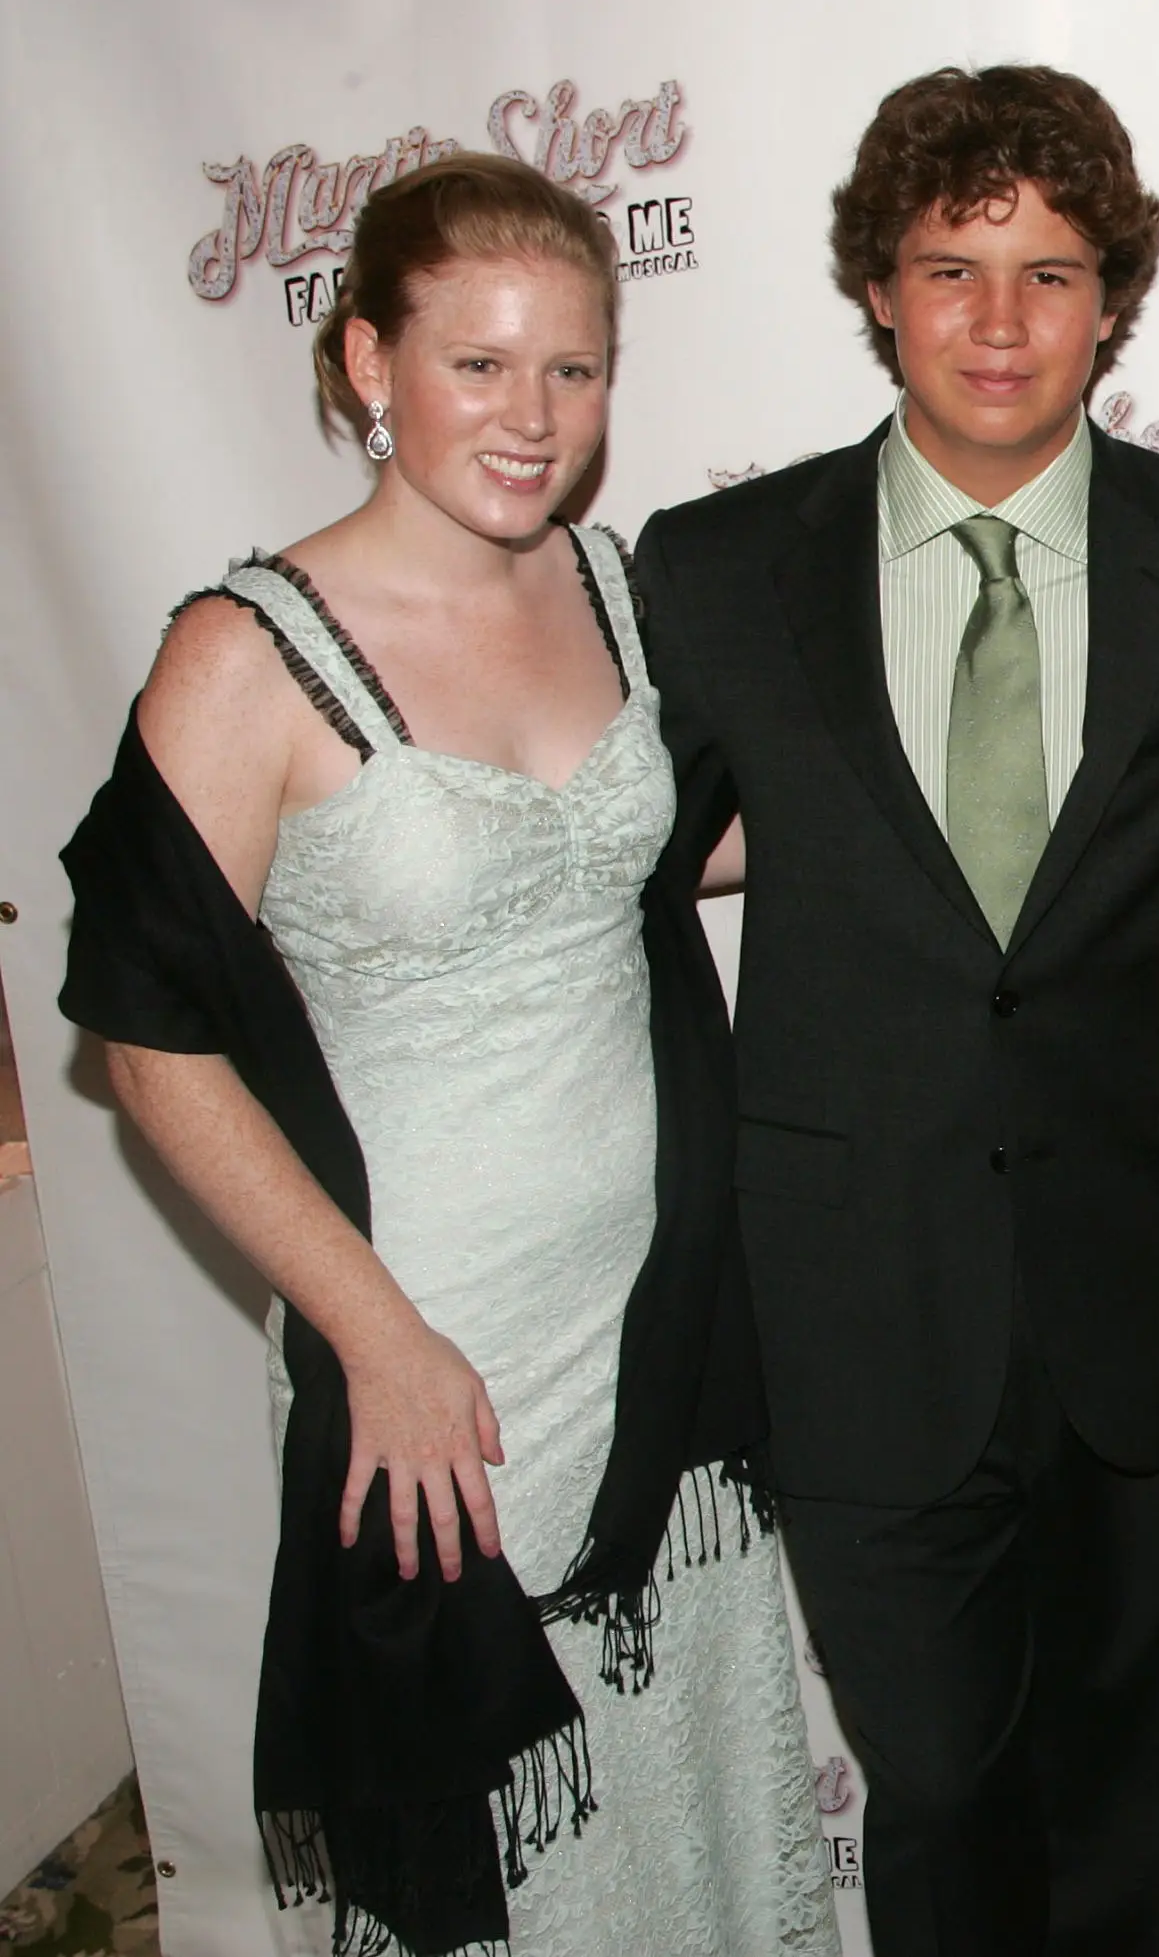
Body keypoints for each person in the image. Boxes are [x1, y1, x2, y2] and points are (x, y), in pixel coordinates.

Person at [58, 154, 834, 1956]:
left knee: (685, 1818)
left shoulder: (617, 591)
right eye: (476, 364)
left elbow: (673, 851)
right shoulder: (247, 655)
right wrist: (374, 1335)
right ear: (365, 364)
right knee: (503, 1862)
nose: (532, 417)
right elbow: (146, 1038)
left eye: (573, 369)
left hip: (663, 1335)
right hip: (436, 1350)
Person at [628, 65, 1159, 1957]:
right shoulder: (717, 575)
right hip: (859, 1309)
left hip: (1148, 1309)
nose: (1000, 321)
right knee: (933, 1797)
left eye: (1049, 271)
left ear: (1115, 300)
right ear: (878, 288)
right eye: (952, 267)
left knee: (1114, 1806)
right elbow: (608, 890)